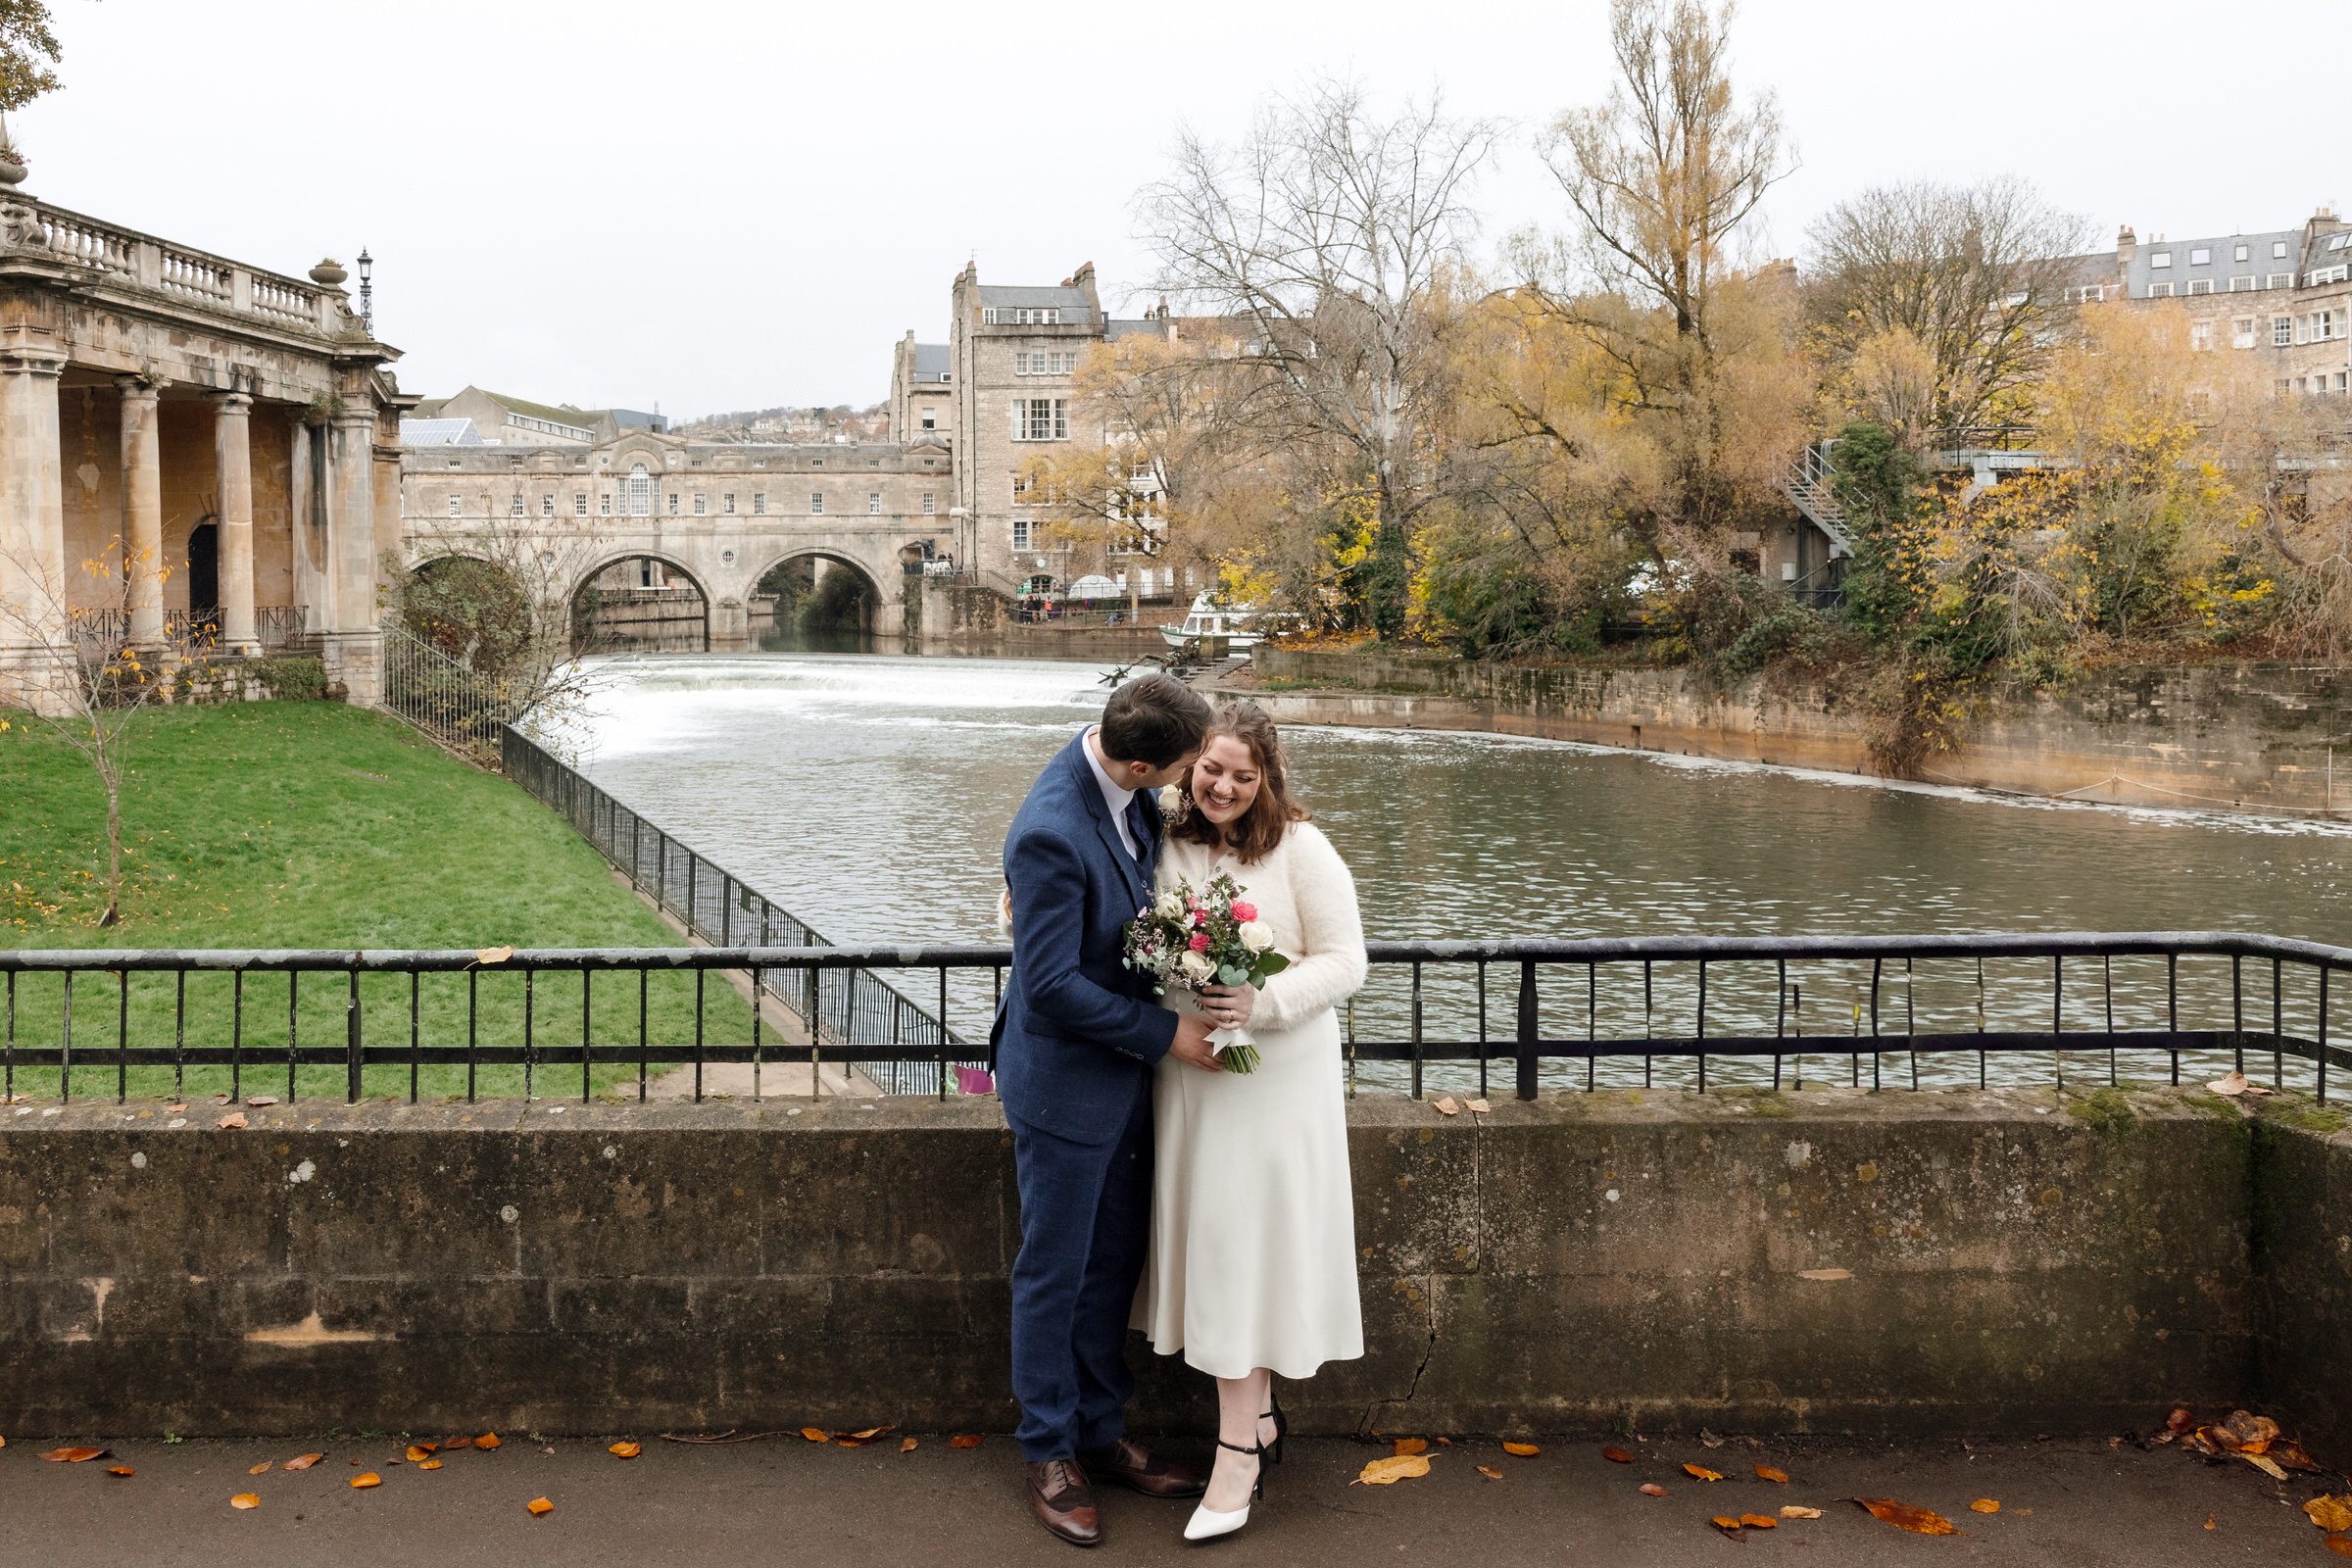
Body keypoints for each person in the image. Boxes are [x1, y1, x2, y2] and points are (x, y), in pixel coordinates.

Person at [993, 671, 1248, 1548]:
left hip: (1122, 1082)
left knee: (1109, 1267)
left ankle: (1100, 1432)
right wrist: (1165, 1035)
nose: (1189, 783)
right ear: (1141, 763)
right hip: (1066, 1084)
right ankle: (1049, 1450)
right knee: (1054, 1272)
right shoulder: (1050, 830)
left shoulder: (1125, 793)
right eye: (1183, 770)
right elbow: (1050, 985)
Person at [1133, 701, 1368, 1543]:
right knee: (1224, 1249)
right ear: (1190, 765)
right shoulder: (1161, 838)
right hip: (1192, 1077)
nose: (1224, 787)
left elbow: (1348, 961)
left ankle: (1236, 1452)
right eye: (1212, 770)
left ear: (1266, 778)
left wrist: (1260, 1001)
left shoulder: (1302, 848)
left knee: (1246, 1251)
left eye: (1243, 774)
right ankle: (1260, 1421)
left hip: (1274, 1081)